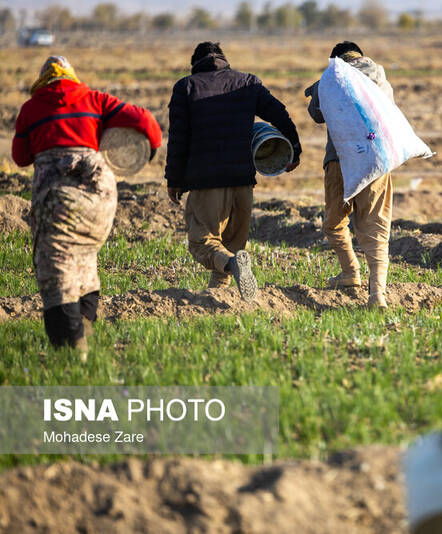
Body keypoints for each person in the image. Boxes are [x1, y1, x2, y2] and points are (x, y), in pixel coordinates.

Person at [12, 55, 162, 357]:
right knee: (85, 260)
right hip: (100, 195)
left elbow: (20, 157)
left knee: (56, 269)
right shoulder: (94, 98)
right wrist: (151, 149)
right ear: (71, 76)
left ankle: (71, 353)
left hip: (57, 197)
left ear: (43, 81)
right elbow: (146, 121)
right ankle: (83, 326)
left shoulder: (30, 109)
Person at [165, 42, 302, 301]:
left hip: (207, 182)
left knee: (203, 242)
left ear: (194, 65)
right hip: (243, 182)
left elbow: (178, 139)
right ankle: (218, 298)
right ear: (224, 60)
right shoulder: (248, 83)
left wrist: (174, 179)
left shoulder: (187, 87)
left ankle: (231, 267)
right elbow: (279, 112)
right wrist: (294, 146)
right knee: (232, 246)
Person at [305, 41, 394, 309]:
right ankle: (377, 294)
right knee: (376, 227)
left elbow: (317, 115)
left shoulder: (330, 77)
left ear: (335, 60)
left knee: (334, 223)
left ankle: (349, 272)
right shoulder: (379, 75)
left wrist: (316, 90)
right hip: (377, 160)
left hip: (340, 160)